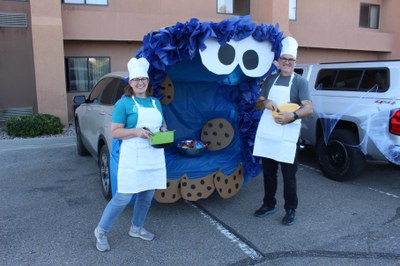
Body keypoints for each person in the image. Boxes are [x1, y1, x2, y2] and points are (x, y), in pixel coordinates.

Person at [94, 57, 168, 251]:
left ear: (148, 81)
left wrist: (163, 132)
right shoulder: (124, 104)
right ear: (130, 83)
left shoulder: (155, 102)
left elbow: (161, 125)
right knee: (123, 198)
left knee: (147, 195)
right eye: (136, 79)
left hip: (152, 156)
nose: (140, 82)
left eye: (143, 79)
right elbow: (115, 132)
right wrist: (136, 131)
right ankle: (101, 231)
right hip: (133, 157)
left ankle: (136, 227)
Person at [253, 36, 313, 225]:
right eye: (284, 59)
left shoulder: (300, 82)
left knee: (289, 176)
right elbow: (257, 105)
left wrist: (292, 116)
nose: (287, 62)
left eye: (291, 60)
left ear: (295, 62)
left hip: (288, 134)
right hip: (268, 133)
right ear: (278, 61)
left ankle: (290, 209)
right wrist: (265, 102)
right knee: (269, 173)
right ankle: (269, 203)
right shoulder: (270, 79)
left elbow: (309, 108)